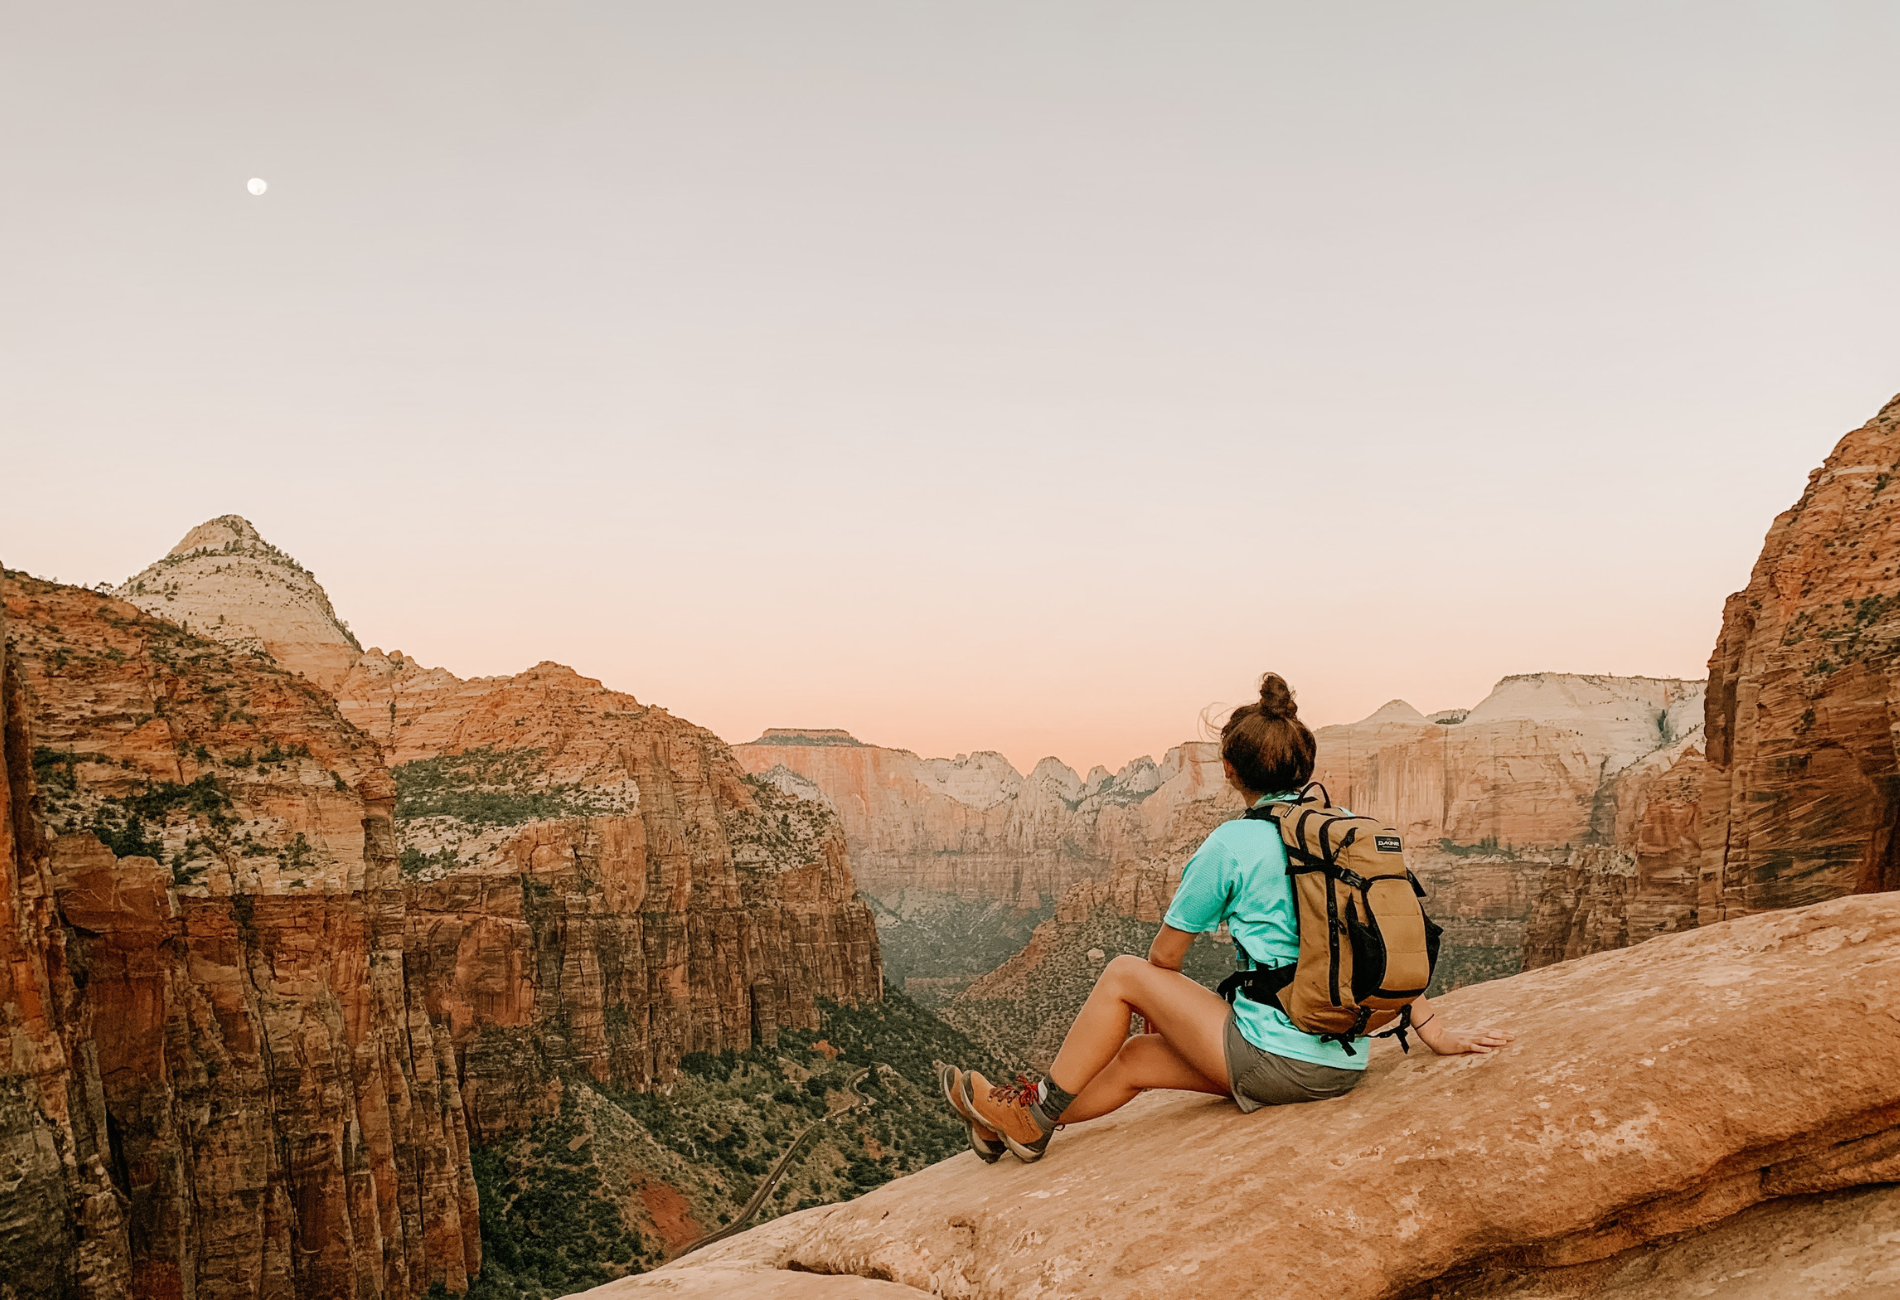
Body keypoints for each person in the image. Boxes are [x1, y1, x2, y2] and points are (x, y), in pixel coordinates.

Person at [941, 671, 1515, 1163]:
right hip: (1344, 1061)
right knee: (1137, 1058)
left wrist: (1156, 1002)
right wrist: (1435, 1034)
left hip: (1277, 1058)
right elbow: (1379, 939)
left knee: (1123, 973)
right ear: (1302, 764)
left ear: (1230, 771)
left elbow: (1163, 959)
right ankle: (1010, 1128)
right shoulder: (1342, 832)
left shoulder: (1232, 844)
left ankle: (1034, 1112)